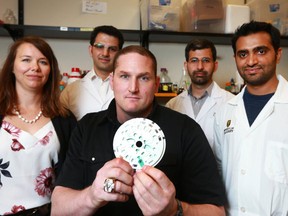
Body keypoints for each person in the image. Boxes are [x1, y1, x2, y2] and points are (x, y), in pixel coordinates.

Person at [51, 45, 226, 216]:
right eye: (125, 76)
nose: (133, 88)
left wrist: (175, 210)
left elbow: (217, 212)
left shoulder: (186, 130)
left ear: (156, 84)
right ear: (112, 81)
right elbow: (58, 208)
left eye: (143, 78)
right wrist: (92, 195)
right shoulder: (87, 128)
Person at [213, 21, 288, 215]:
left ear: (278, 54)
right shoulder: (225, 111)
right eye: (243, 54)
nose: (251, 61)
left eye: (261, 51)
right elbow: (220, 169)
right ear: (235, 58)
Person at [0, 36, 77, 215]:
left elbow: (73, 176)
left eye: (43, 62)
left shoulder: (64, 120)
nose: (35, 67)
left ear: (50, 70)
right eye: (26, 60)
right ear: (12, 66)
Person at [166, 39, 234, 148]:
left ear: (215, 65)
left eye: (206, 60)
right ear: (186, 65)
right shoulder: (172, 105)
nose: (200, 67)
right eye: (194, 60)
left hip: (216, 165)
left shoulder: (231, 102)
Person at [60, 25, 124, 120]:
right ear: (91, 50)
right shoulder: (71, 91)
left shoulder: (129, 88)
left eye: (112, 49)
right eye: (99, 47)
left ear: (120, 54)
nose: (105, 53)